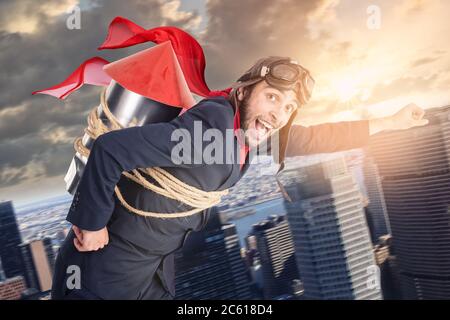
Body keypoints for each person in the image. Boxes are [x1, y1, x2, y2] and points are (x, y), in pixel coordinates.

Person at [51, 56, 428, 300]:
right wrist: (92, 223)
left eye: (289, 107)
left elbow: (313, 137)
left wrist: (390, 122)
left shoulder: (243, 132)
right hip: (103, 271)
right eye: (273, 98)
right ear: (245, 91)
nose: (280, 113)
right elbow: (111, 148)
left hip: (153, 271)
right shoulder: (211, 134)